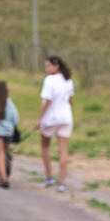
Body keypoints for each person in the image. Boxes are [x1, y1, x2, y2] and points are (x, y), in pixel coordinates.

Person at [37, 55, 75, 191]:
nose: (46, 69)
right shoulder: (68, 81)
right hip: (66, 117)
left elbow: (47, 100)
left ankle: (49, 176)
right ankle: (62, 182)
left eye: (48, 66)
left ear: (56, 66)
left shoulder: (49, 80)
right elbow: (71, 101)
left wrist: (40, 118)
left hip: (50, 119)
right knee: (63, 150)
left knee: (45, 147)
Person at [0, 81, 18, 189]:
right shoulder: (9, 103)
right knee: (3, 154)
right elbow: (15, 118)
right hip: (8, 133)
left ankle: (3, 178)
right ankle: (0, 176)